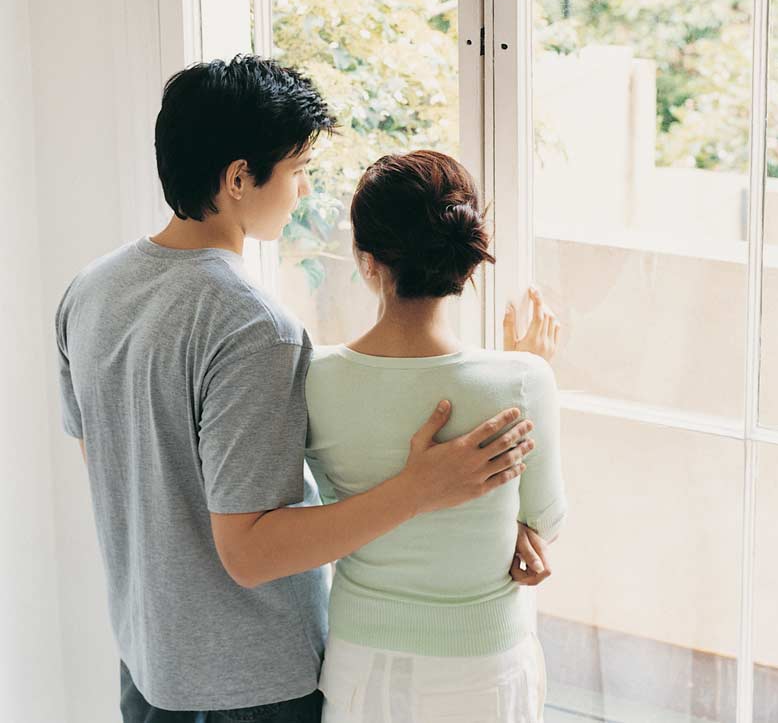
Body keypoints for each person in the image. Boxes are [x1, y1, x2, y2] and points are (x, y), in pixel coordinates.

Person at [55, 56, 542, 722]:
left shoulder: (90, 291)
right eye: (298, 168)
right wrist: (420, 488)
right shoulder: (254, 327)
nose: (305, 188)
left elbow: (112, 469)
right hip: (250, 685)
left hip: (149, 664)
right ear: (238, 179)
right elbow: (251, 553)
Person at [306, 150, 567, 723]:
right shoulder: (523, 379)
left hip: (363, 670)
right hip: (487, 668)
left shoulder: (315, 379)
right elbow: (542, 525)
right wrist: (525, 371)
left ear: (367, 260)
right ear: (463, 264)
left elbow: (318, 514)